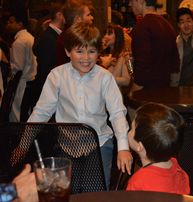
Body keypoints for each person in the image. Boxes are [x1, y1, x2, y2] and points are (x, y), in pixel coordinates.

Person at [12, 22, 132, 191]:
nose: (86, 57)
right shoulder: (57, 76)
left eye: (91, 51)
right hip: (67, 145)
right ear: (68, 52)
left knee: (95, 192)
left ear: (98, 52)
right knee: (70, 192)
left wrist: (123, 148)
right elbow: (41, 112)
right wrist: (24, 144)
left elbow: (117, 113)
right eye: (79, 51)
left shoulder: (105, 77)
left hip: (99, 143)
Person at [126, 103, 190, 194]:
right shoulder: (177, 168)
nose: (129, 132)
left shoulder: (138, 182)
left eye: (131, 129)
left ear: (139, 146)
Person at [20, 2, 65, 121]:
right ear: (60, 15)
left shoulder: (54, 36)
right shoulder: (49, 38)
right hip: (48, 92)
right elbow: (48, 71)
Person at [128, 0, 180, 91]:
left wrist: (132, 93)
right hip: (165, 90)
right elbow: (175, 64)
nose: (130, 4)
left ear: (141, 1)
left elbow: (142, 68)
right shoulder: (168, 25)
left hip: (147, 92)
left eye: (132, 1)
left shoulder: (142, 27)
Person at [6, 8, 37, 122]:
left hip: (21, 82)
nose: (8, 24)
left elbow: (17, 68)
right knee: (25, 112)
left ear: (20, 24)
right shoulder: (29, 37)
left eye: (11, 22)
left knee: (16, 113)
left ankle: (17, 138)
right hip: (29, 80)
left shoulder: (19, 41)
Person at [55, 0, 94, 66]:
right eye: (88, 15)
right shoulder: (73, 39)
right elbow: (84, 67)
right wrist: (104, 64)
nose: (92, 17)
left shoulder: (66, 36)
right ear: (78, 19)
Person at [100, 24, 131, 88]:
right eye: (104, 34)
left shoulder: (124, 55)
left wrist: (107, 79)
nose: (105, 36)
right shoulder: (101, 53)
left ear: (117, 36)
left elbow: (127, 80)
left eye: (109, 34)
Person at [175, 7, 193, 86]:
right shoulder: (175, 43)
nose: (186, 25)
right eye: (182, 22)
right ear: (178, 25)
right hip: (179, 85)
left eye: (188, 21)